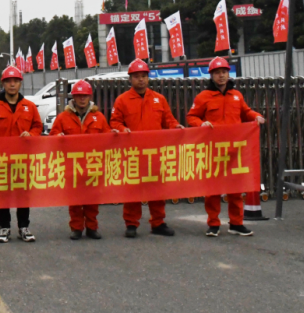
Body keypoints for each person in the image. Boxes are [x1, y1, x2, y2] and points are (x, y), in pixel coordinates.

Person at [186, 56, 266, 237]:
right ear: (211, 75)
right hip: (213, 150)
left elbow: (246, 112)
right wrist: (201, 124)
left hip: (234, 150)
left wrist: (255, 116)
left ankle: (236, 223)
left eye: (224, 72)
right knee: (212, 189)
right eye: (217, 73)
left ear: (228, 74)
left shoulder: (236, 96)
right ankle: (213, 224)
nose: (221, 76)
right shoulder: (203, 97)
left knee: (235, 188)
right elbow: (191, 116)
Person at [110, 59, 183, 239]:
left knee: (157, 189)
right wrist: (122, 129)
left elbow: (169, 120)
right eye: (136, 76)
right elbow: (115, 121)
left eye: (143, 76)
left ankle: (158, 222)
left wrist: (176, 127)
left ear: (148, 78)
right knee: (132, 189)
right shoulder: (122, 100)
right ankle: (131, 223)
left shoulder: (159, 99)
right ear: (130, 79)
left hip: (155, 153)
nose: (141, 79)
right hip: (132, 153)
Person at [0, 65, 42, 243]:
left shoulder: (29, 107)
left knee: (23, 193)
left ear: (20, 83)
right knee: (2, 194)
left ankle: (24, 227)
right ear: (3, 84)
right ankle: (4, 227)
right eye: (8, 81)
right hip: (1, 160)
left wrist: (31, 135)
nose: (12, 84)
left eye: (15, 81)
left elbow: (38, 126)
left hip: (23, 159)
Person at [50, 79, 111, 240]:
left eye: (85, 96)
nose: (82, 99)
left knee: (92, 198)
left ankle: (92, 227)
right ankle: (76, 227)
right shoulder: (63, 117)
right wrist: (58, 137)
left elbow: (107, 137)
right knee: (75, 198)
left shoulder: (98, 117)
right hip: (73, 165)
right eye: (79, 96)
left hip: (93, 164)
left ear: (89, 97)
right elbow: (52, 136)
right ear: (74, 97)